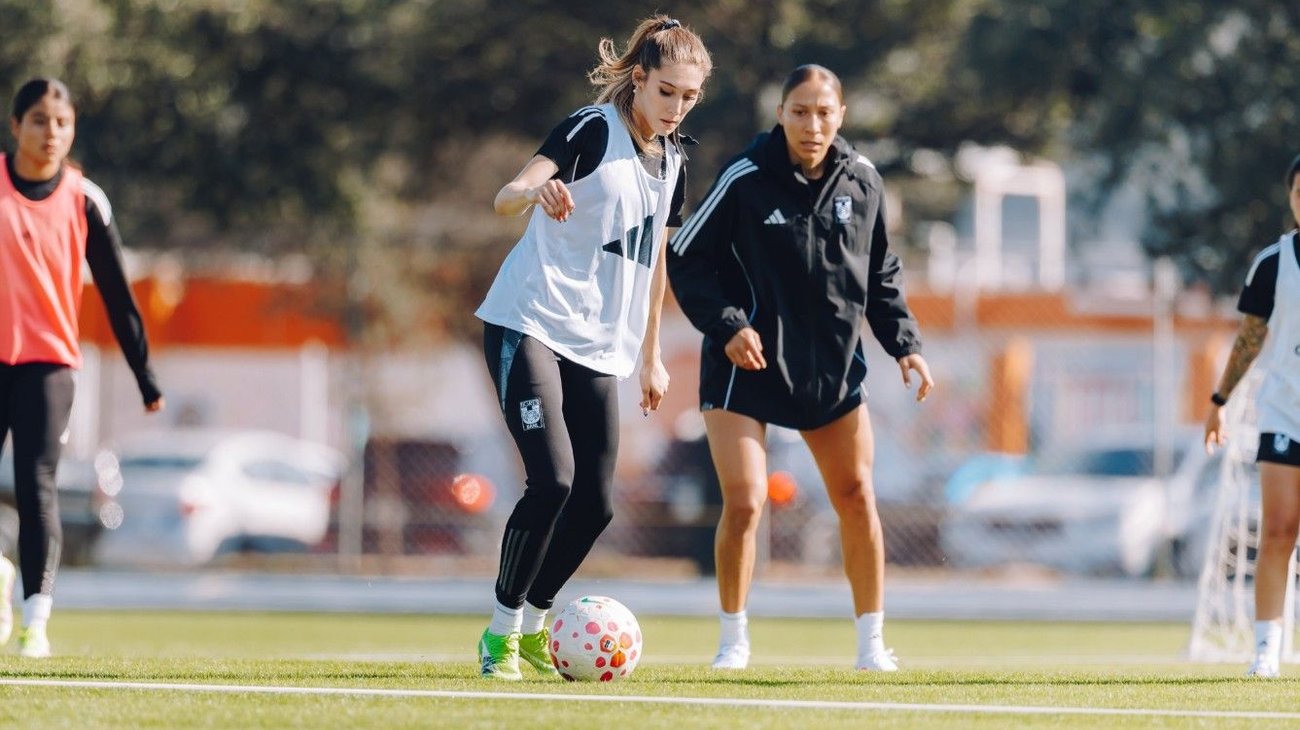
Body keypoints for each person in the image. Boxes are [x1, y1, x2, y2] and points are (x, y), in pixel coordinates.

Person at [667, 64, 934, 672]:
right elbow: (685, 256)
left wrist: (906, 346)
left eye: (823, 112)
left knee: (857, 494)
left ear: (840, 116)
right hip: (747, 367)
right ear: (780, 115)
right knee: (746, 501)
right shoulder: (745, 178)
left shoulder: (864, 182)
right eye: (799, 111)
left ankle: (872, 644)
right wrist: (729, 326)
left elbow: (882, 277)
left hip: (831, 374)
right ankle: (733, 641)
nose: (812, 124)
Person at [473, 17, 712, 680]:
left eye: (689, 97)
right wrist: (530, 192)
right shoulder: (591, 128)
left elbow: (656, 262)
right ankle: (501, 631)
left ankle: (536, 623)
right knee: (552, 480)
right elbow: (509, 192)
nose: (676, 107)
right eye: (667, 92)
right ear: (639, 78)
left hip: (602, 345)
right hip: (531, 322)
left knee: (596, 504)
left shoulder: (675, 161)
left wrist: (652, 353)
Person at [1, 78, 165, 657]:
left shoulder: (83, 199)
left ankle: (34, 623)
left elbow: (118, 296)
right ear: (16, 124)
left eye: (62, 123)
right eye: (40, 121)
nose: (52, 133)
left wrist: (145, 376)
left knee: (35, 485)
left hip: (49, 364)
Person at [1204, 153, 1300, 679]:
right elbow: (1249, 339)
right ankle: (1267, 648)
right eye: (1299, 191)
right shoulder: (1274, 262)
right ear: (1290, 197)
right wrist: (1219, 402)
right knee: (1280, 530)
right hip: (1285, 414)